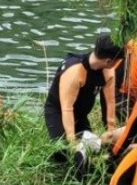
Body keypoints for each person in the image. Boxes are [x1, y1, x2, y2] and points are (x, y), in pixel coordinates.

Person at [44, 33, 124, 170]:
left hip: (80, 115)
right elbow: (66, 108)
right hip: (57, 111)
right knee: (64, 153)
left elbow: (109, 102)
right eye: (119, 61)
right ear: (109, 61)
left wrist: (110, 129)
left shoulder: (108, 72)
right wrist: (71, 141)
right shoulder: (74, 72)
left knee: (92, 148)